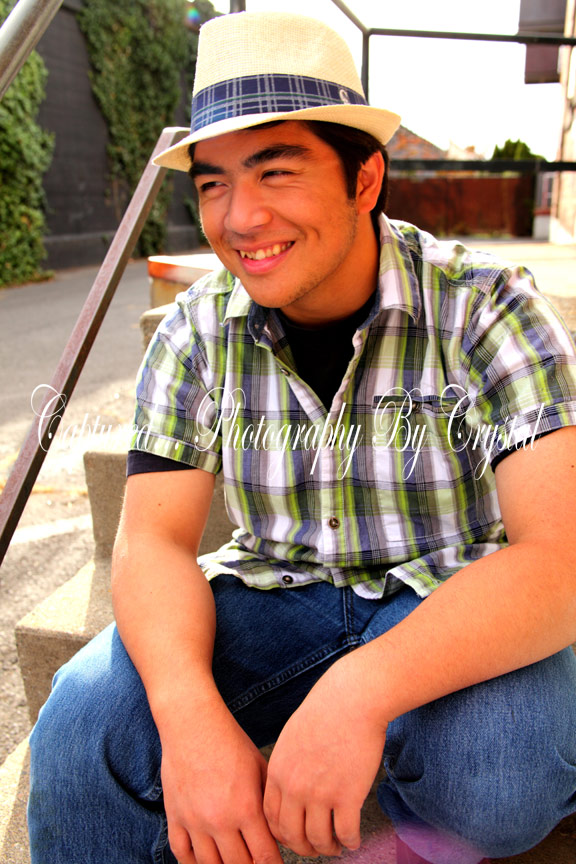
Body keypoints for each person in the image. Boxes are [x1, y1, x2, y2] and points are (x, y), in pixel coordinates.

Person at [28, 11, 576, 864]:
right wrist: (190, 717)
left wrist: (362, 691)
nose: (240, 218)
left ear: (365, 180)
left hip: (448, 591)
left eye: (275, 171)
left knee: (497, 771)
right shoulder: (194, 330)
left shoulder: (486, 304)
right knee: (79, 726)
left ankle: (382, 766)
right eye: (212, 184)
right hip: (274, 591)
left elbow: (559, 557)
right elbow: (154, 542)